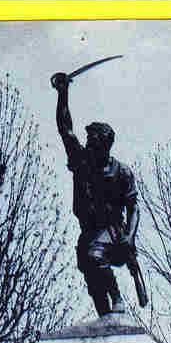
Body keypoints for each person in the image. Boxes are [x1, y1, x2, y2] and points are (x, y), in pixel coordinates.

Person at [52, 71, 142, 317]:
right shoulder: (81, 161)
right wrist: (63, 93)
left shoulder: (121, 171)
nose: (87, 144)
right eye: (88, 141)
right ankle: (106, 315)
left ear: (104, 145)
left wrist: (130, 237)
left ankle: (118, 299)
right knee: (88, 268)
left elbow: (133, 206)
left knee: (94, 256)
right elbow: (65, 128)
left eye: (92, 141)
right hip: (89, 231)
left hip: (112, 233)